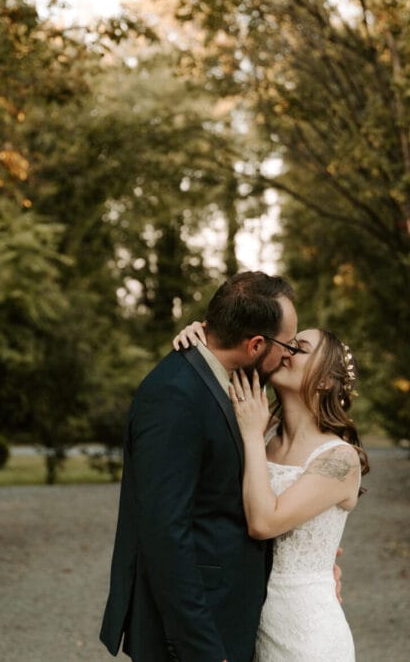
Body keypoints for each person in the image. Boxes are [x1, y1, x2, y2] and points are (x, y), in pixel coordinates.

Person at [99, 271, 300, 662]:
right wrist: (202, 649)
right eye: (287, 344)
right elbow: (165, 534)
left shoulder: (233, 378)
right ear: (256, 344)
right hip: (195, 634)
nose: (290, 353)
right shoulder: (174, 395)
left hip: (233, 618)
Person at [174, 321, 369, 662]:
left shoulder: (340, 459)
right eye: (289, 344)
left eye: (302, 349)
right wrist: (200, 337)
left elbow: (264, 523)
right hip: (254, 625)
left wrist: (250, 434)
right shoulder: (265, 435)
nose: (287, 351)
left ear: (325, 381)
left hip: (309, 636)